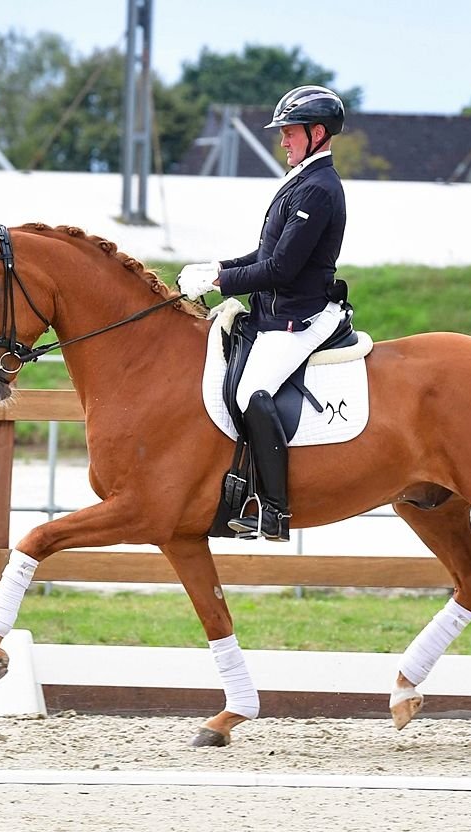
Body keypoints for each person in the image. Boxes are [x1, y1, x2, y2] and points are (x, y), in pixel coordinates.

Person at [177, 85, 348, 542]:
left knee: (254, 391)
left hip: (299, 317)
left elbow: (281, 268)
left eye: (290, 133)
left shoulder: (319, 189)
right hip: (274, 312)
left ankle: (272, 509)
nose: (283, 141)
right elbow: (264, 253)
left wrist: (217, 284)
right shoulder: (300, 182)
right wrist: (218, 267)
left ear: (317, 132)